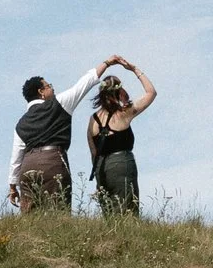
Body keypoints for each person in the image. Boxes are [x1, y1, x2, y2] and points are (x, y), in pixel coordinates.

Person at [8, 60, 110, 211]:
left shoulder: (20, 123)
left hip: (27, 166)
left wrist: (12, 186)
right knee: (57, 212)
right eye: (49, 86)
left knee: (30, 219)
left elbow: (16, 156)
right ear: (41, 92)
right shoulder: (60, 103)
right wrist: (107, 63)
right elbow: (84, 84)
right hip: (53, 162)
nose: (52, 89)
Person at [86, 56, 156, 216]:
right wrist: (134, 69)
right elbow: (151, 92)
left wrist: (98, 175)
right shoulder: (124, 113)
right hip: (122, 164)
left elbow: (93, 152)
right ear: (119, 91)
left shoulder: (93, 120)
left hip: (101, 168)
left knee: (109, 212)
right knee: (128, 210)